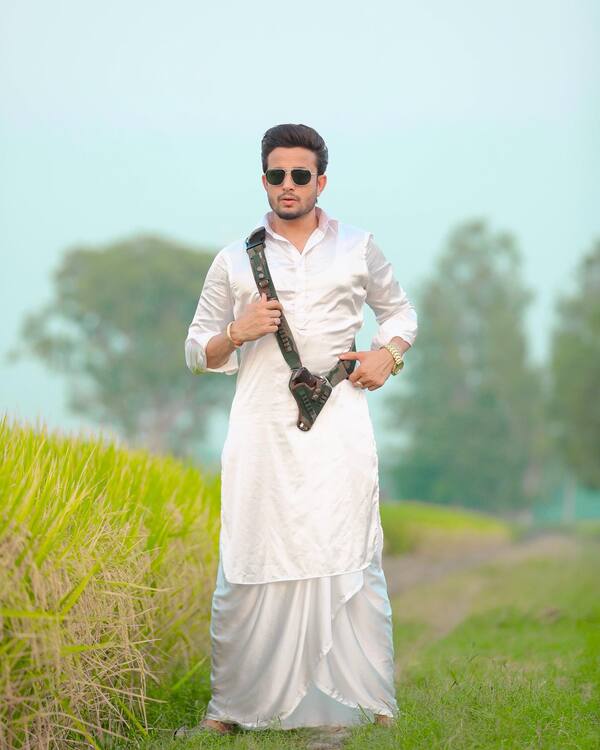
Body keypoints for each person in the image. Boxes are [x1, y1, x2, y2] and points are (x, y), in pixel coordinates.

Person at [177, 123, 418, 737]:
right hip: (261, 428)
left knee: (349, 548)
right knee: (252, 550)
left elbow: (400, 313)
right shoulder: (234, 260)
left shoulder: (359, 246)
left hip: (340, 424)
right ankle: (231, 710)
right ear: (264, 180)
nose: (288, 185)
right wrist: (237, 332)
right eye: (277, 174)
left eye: (300, 175)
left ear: (321, 182)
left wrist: (388, 355)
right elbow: (195, 351)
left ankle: (371, 703)